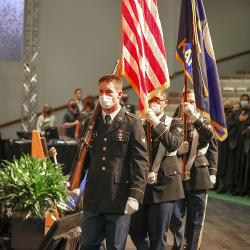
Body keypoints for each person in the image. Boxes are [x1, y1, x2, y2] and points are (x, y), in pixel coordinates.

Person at [79, 74, 149, 250]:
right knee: (87, 245)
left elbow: (141, 162)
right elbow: (83, 157)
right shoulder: (91, 122)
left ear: (119, 94)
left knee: (116, 247)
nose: (104, 96)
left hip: (118, 198)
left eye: (109, 91)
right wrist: (74, 182)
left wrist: (135, 195)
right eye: (101, 92)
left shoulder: (132, 123)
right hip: (93, 197)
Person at [129, 90, 184, 250]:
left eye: (158, 100)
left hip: (164, 188)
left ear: (165, 103)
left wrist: (156, 123)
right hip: (142, 187)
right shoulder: (139, 124)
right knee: (135, 232)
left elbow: (173, 143)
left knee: (158, 237)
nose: (154, 103)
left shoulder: (175, 122)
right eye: (151, 100)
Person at [170, 89, 215, 250]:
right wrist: (176, 150)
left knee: (195, 220)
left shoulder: (204, 120)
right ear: (182, 102)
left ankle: (191, 247)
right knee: (174, 216)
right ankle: (178, 243)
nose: (189, 103)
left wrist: (195, 118)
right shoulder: (174, 121)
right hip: (175, 177)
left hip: (198, 177)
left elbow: (208, 137)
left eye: (193, 101)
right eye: (186, 100)